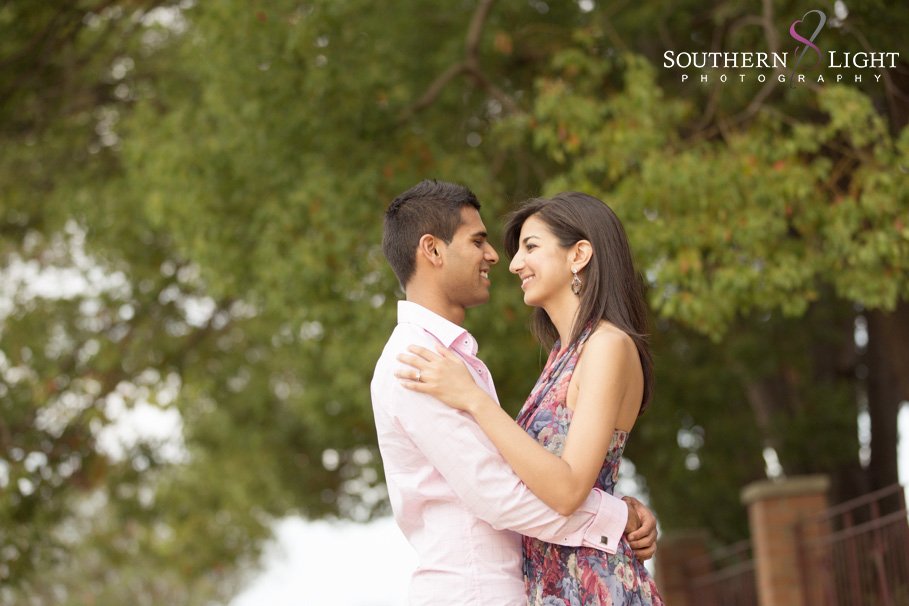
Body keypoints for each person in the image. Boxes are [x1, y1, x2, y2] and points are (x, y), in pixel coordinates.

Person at [371, 180, 658, 606]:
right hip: (492, 588)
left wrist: (475, 399)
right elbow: (499, 492)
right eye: (480, 241)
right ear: (433, 250)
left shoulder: (597, 347)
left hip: (579, 582)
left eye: (530, 247)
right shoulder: (419, 360)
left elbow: (554, 481)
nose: (504, 261)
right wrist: (616, 515)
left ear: (578, 255)